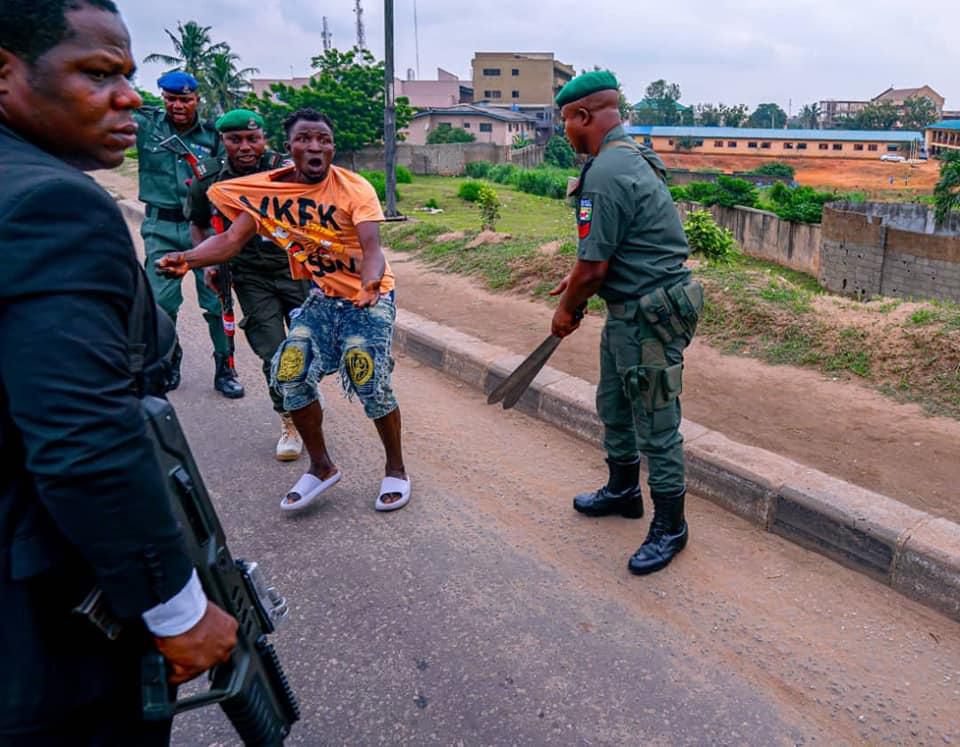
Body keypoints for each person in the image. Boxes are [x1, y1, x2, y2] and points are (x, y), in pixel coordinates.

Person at [0, 1, 237, 743]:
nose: (129, 98)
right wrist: (177, 607)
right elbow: (84, 435)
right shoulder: (52, 204)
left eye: (129, 77)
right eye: (99, 74)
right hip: (42, 627)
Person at [157, 108, 411, 513]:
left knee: (365, 374)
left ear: (332, 147)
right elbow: (230, 241)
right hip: (323, 297)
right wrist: (188, 259)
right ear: (289, 146)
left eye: (323, 139)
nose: (315, 146)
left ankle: (396, 469)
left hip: (370, 297)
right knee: (289, 372)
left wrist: (368, 285)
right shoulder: (269, 193)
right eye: (305, 139)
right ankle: (321, 467)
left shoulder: (354, 187)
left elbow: (372, 249)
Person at [549, 71, 703, 576]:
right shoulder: (628, 156)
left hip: (648, 314)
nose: (565, 131)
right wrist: (576, 281)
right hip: (630, 308)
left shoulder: (606, 172)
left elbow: (595, 268)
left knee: (656, 424)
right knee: (614, 404)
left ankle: (671, 526)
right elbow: (610, 249)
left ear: (583, 116)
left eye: (565, 122)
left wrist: (567, 308)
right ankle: (622, 490)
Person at [186, 108, 310, 461]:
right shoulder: (209, 178)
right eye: (234, 139)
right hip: (249, 276)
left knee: (305, 348)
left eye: (252, 139)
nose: (244, 147)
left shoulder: (286, 171)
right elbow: (198, 224)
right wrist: (208, 261)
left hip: (295, 270)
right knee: (274, 353)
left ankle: (305, 401)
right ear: (222, 141)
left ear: (264, 140)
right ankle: (289, 419)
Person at [134, 68, 244, 398]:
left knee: (217, 300)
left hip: (207, 228)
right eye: (170, 99)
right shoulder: (147, 126)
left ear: (197, 99)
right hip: (162, 227)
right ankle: (169, 357)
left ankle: (225, 366)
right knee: (161, 303)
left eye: (185, 99)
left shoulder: (213, 135)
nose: (177, 106)